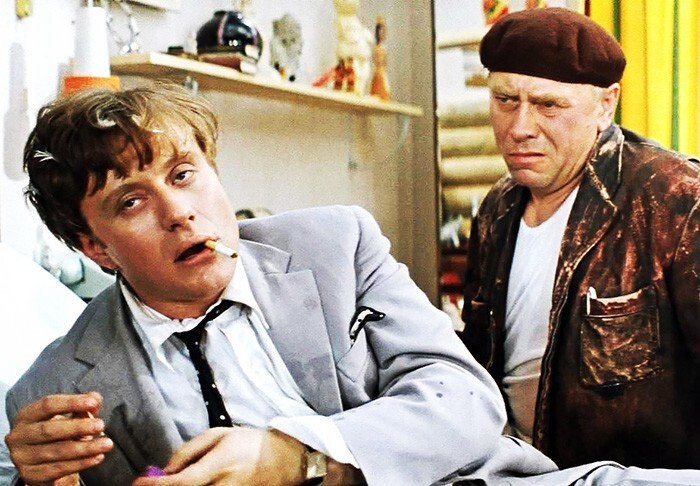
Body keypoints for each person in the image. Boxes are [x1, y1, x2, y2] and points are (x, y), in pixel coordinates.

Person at [3, 82, 513, 486]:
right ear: (95, 248)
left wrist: (299, 455)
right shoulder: (53, 392)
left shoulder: (337, 245)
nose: (179, 213)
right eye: (131, 202)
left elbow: (467, 400)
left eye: (183, 175)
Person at [460, 7, 700, 470]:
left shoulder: (677, 199)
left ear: (606, 105)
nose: (519, 127)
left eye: (548, 105)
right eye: (505, 100)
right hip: (508, 470)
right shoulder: (496, 209)